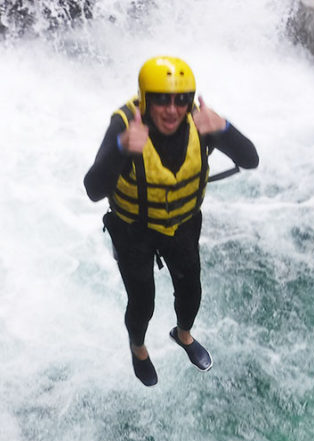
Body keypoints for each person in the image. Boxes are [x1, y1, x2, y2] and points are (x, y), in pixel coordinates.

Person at [84, 55, 259, 386]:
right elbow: (93, 189)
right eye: (162, 100)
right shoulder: (125, 126)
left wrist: (224, 128)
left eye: (181, 99)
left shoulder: (201, 122)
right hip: (132, 230)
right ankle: (138, 348)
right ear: (145, 99)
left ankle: (183, 334)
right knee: (142, 301)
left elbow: (250, 159)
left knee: (191, 289)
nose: (172, 109)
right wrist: (121, 148)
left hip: (181, 224)